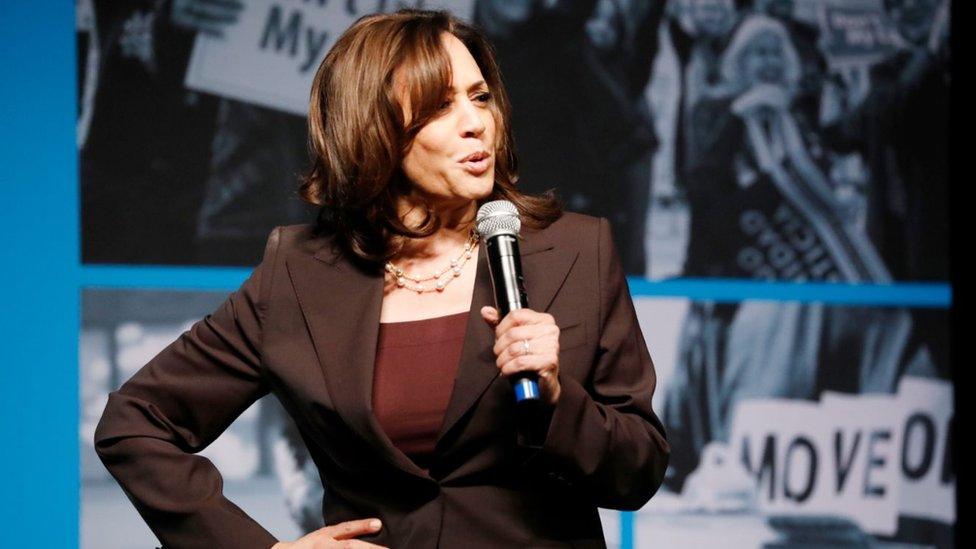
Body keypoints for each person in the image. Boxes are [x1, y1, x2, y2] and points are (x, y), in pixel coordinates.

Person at [94, 8, 669, 548]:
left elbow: (637, 472)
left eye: (480, 97)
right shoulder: (298, 275)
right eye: (441, 107)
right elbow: (135, 424)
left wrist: (556, 397)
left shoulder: (575, 250)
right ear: (373, 128)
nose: (477, 124)